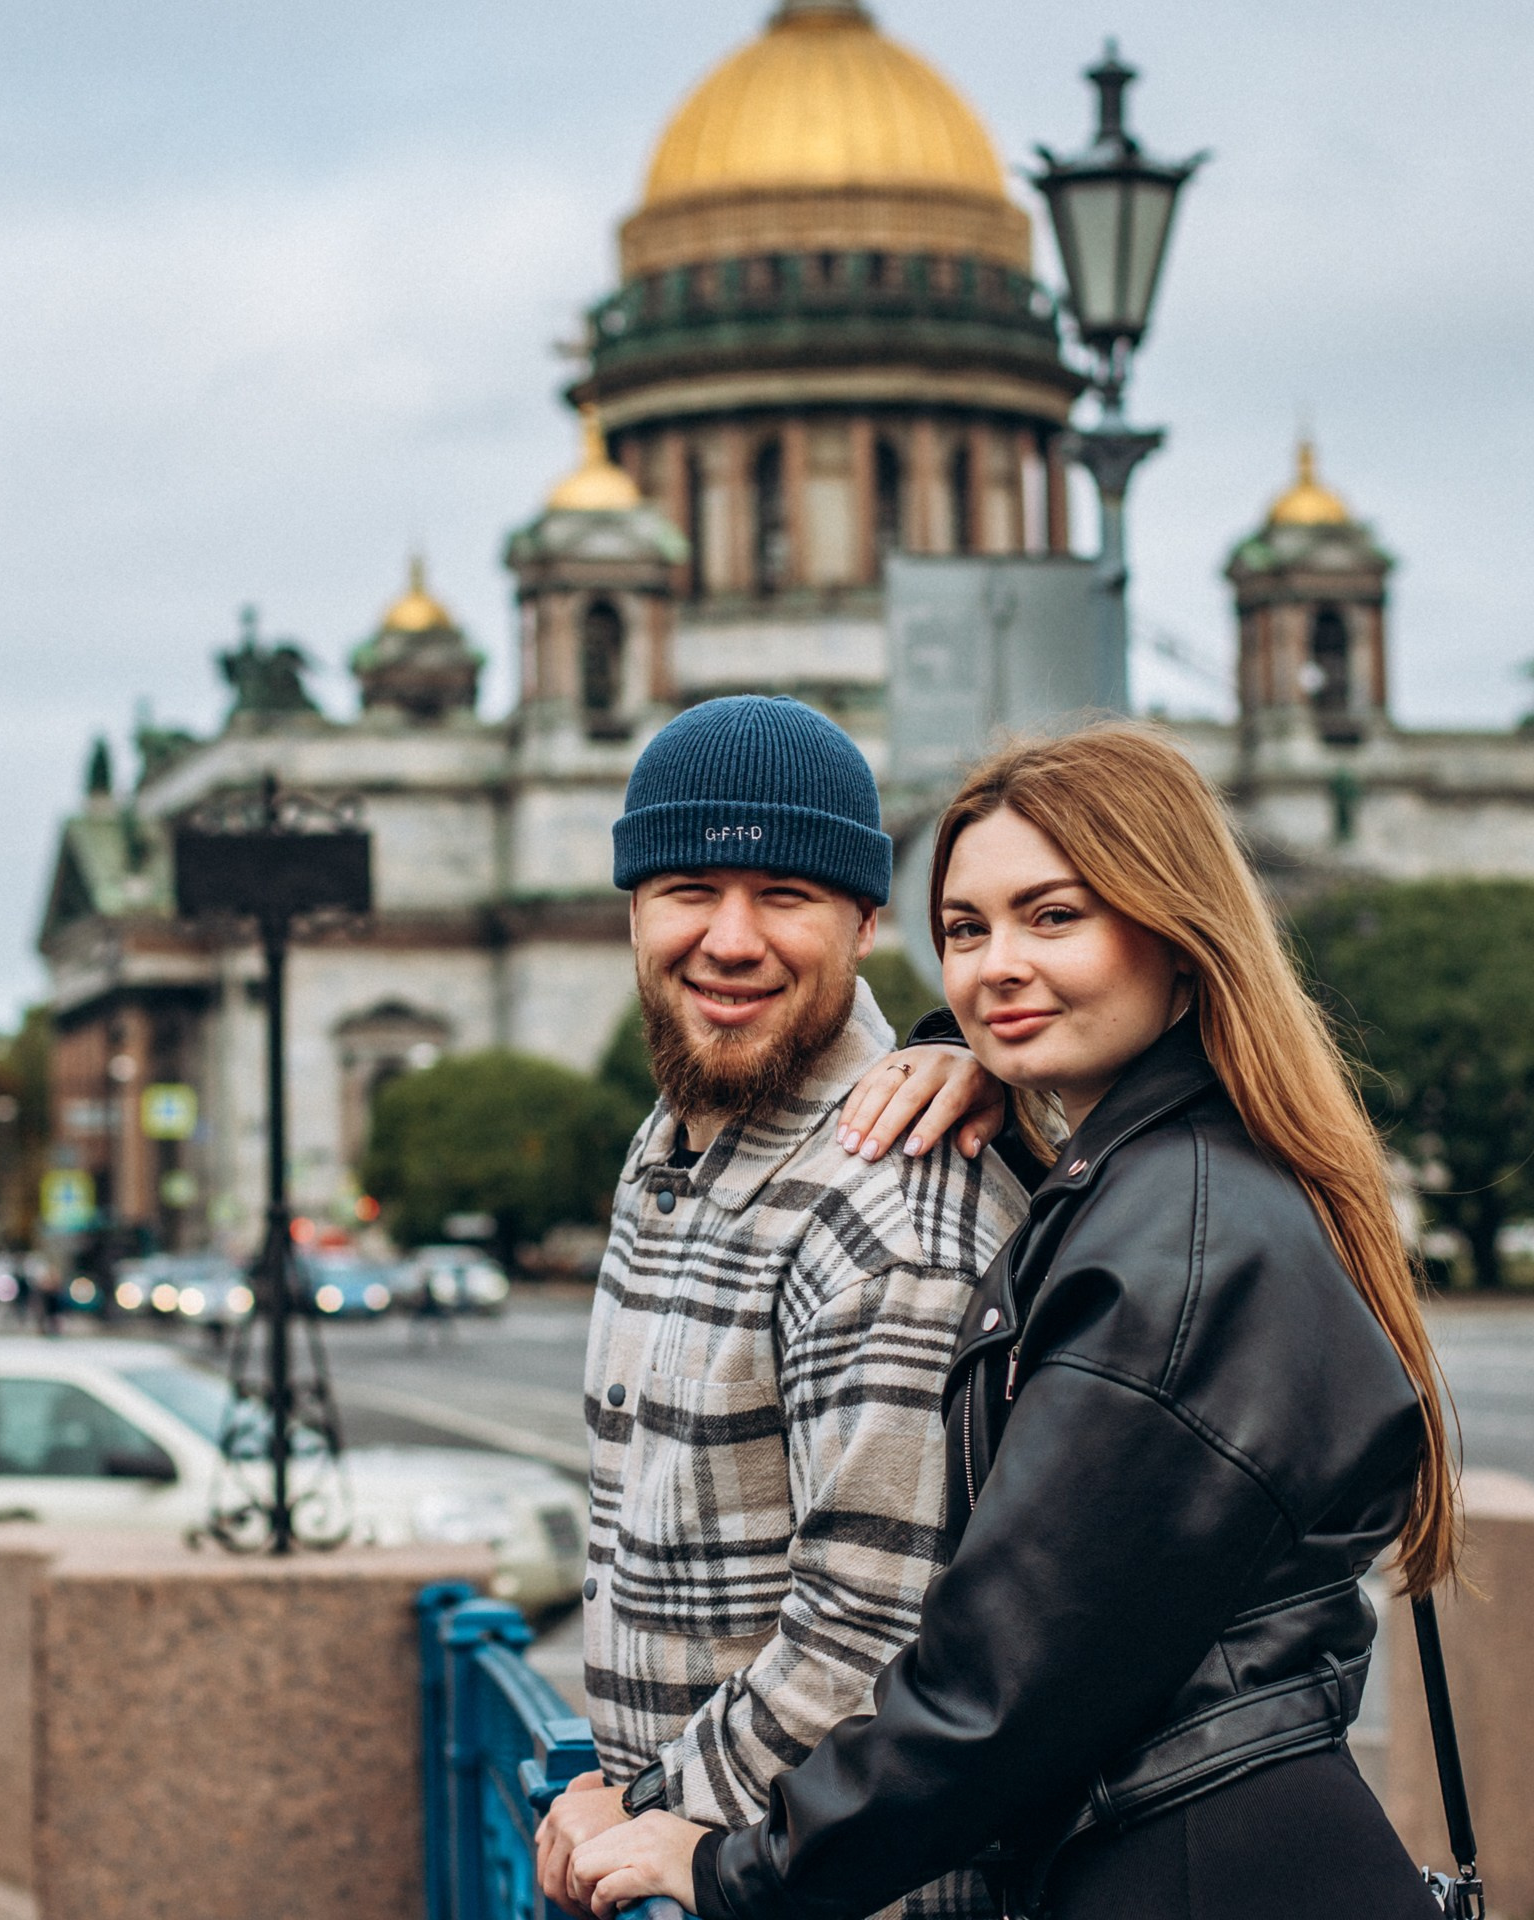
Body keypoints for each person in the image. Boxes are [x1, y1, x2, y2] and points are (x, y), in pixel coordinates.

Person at [567, 722, 1458, 1920]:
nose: (995, 968)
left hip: (1195, 1870)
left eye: (1054, 917)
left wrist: (713, 1859)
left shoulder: (1175, 1244)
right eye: (968, 930)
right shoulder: (1140, 1181)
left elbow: (987, 1680)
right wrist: (968, 1055)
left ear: (1177, 933)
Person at [534, 696, 1027, 1920]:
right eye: (690, 887)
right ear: (634, 912)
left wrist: (646, 1805)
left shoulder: (891, 1213)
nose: (731, 939)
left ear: (866, 923)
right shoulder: (674, 1146)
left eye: (787, 895)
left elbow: (873, 1637)